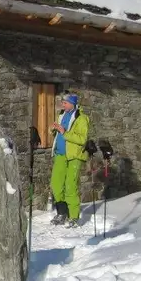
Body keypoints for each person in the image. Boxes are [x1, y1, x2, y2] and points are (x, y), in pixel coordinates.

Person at [50, 92, 90, 227]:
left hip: (74, 156)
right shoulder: (62, 114)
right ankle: (62, 212)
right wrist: (54, 129)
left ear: (72, 103)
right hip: (60, 154)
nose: (63, 104)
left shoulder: (81, 118)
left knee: (70, 186)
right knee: (56, 184)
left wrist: (64, 132)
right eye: (63, 102)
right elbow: (59, 133)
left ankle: (73, 216)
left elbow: (82, 139)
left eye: (65, 102)